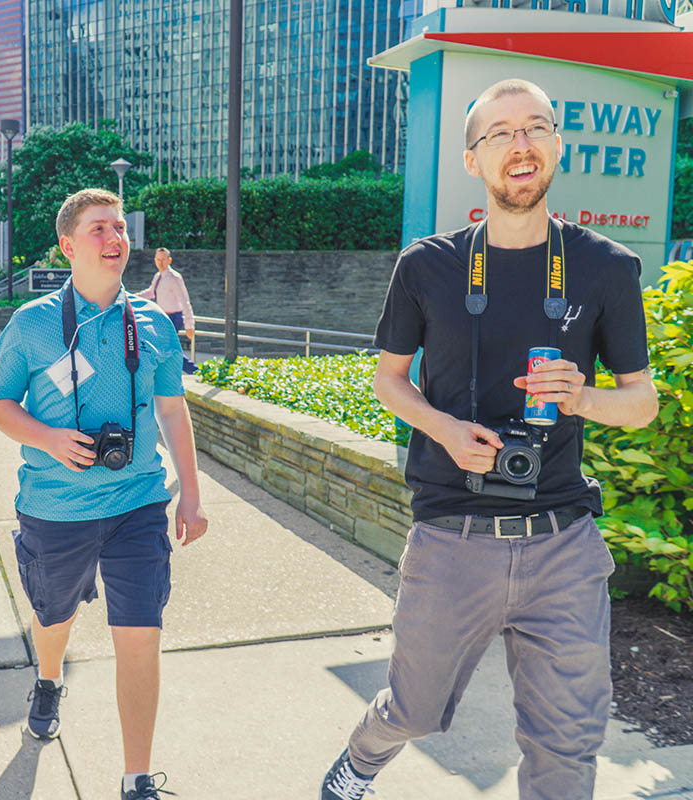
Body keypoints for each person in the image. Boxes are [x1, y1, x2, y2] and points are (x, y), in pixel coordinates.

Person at [320, 79, 658, 800]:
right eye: (499, 133)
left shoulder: (605, 267)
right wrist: (443, 429)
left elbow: (642, 403)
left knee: (567, 745)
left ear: (557, 148)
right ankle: (364, 758)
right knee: (413, 708)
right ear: (473, 160)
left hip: (564, 541)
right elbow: (388, 381)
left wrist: (584, 396)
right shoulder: (426, 266)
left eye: (536, 127)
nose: (521, 143)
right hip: (452, 540)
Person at [0, 188, 209, 800]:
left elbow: (173, 411)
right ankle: (49, 678)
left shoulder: (155, 323)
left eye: (120, 228)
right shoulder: (31, 324)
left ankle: (137, 779)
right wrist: (50, 438)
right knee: (55, 616)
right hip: (56, 507)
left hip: (138, 502)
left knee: (139, 633)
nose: (115, 239)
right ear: (67, 245)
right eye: (99, 229)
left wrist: (190, 494)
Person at [136, 247, 197, 374]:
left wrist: (189, 325)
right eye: (158, 259)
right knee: (166, 347)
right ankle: (191, 370)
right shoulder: (158, 276)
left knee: (168, 347)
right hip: (164, 318)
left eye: (163, 259)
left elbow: (184, 300)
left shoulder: (174, 277)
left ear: (169, 260)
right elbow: (151, 293)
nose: (160, 262)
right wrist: (132, 297)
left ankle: (195, 370)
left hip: (174, 317)